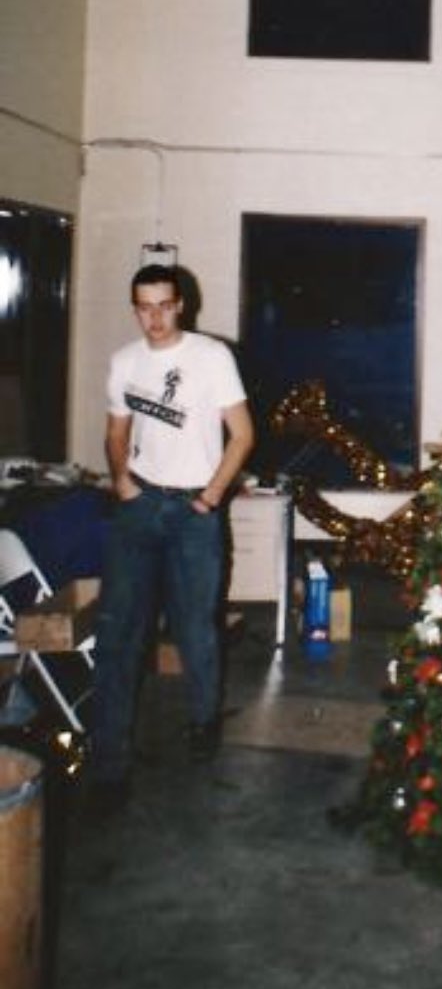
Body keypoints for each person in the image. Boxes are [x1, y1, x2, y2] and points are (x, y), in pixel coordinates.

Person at [89, 263, 254, 808]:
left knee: (195, 629)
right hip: (139, 507)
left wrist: (209, 498)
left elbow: (243, 435)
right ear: (134, 307)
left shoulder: (211, 358)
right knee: (118, 636)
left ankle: (204, 720)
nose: (154, 318)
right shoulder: (124, 363)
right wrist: (121, 480)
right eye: (144, 307)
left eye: (164, 305)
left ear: (181, 304)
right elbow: (117, 432)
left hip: (193, 512)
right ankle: (109, 764)